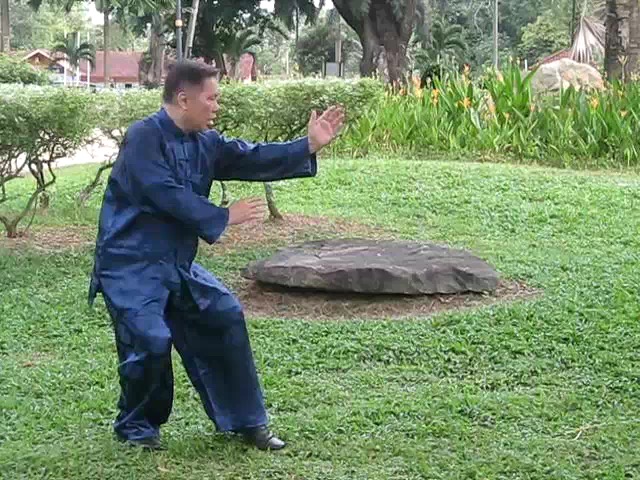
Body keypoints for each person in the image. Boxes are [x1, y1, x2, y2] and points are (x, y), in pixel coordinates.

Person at [88, 60, 345, 451]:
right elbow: (164, 193)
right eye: (211, 98)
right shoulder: (144, 137)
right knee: (151, 341)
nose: (216, 106)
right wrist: (224, 216)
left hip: (176, 264)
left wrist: (307, 145)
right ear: (183, 98)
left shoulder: (205, 142)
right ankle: (136, 426)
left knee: (223, 314)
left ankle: (246, 421)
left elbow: (251, 157)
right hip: (129, 265)